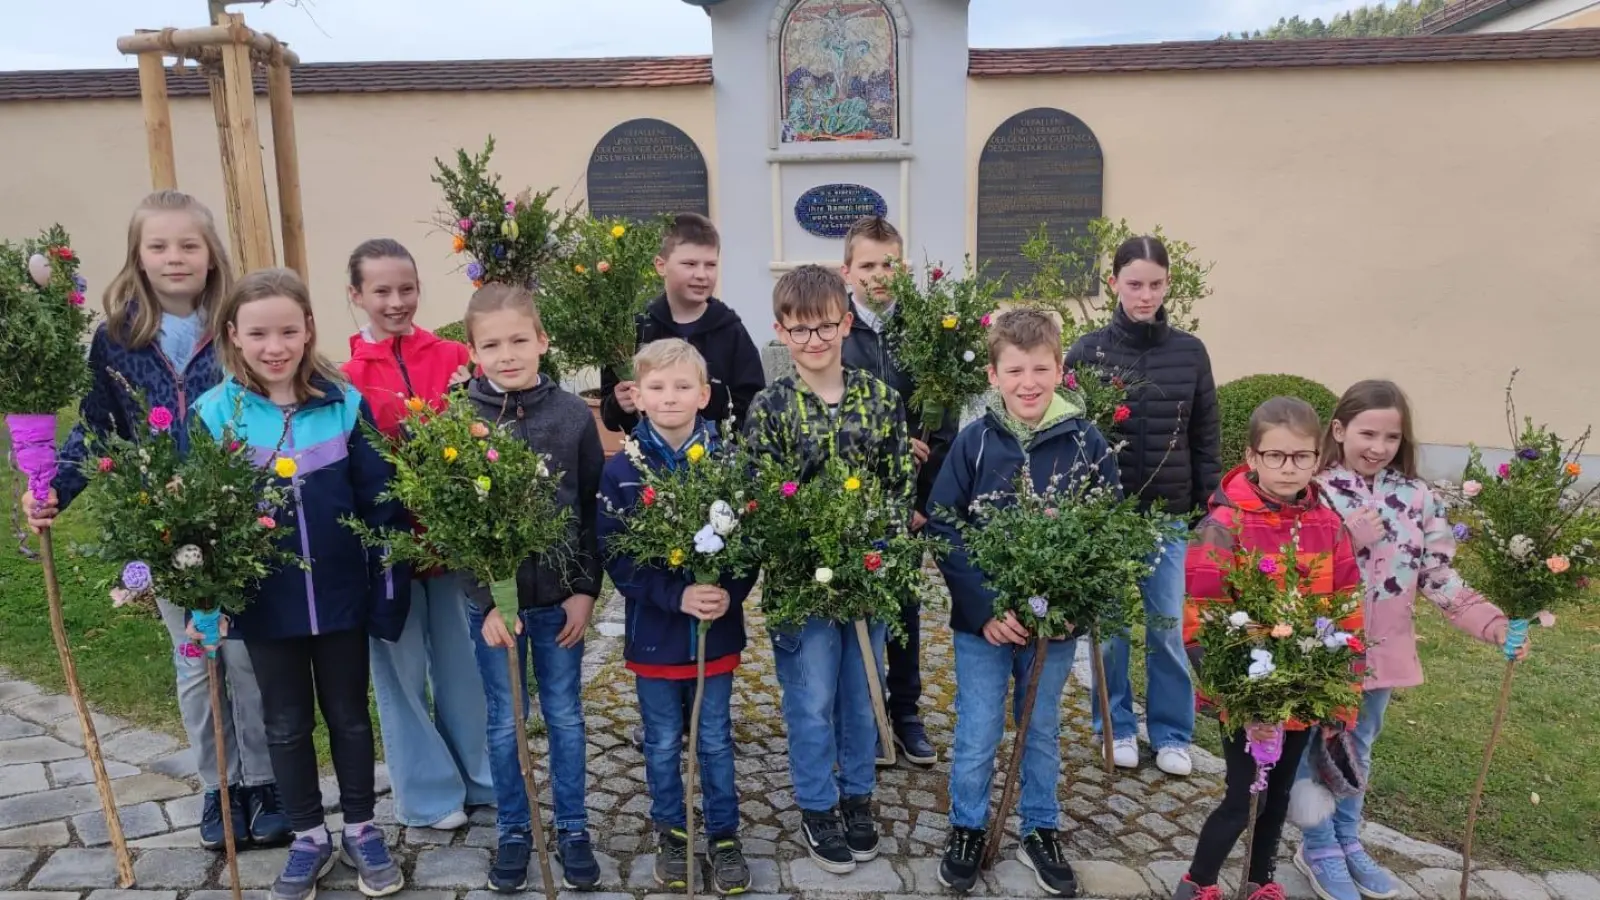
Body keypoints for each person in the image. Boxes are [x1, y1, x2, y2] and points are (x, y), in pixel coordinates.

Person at [21, 190, 290, 852]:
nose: (175, 257)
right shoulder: (116, 340)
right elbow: (96, 430)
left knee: (246, 657)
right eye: (159, 246)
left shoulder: (238, 326)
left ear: (211, 254)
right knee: (197, 659)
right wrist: (53, 490)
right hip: (162, 525)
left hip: (241, 518)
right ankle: (219, 786)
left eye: (189, 245)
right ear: (138, 257)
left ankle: (265, 784)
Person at [195, 268, 409, 900]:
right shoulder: (215, 415)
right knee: (285, 723)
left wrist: (386, 589)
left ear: (309, 329)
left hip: (341, 598)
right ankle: (308, 837)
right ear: (233, 335)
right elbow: (198, 521)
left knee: (349, 716)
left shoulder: (342, 404)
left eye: (288, 331)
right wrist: (208, 599)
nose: (275, 347)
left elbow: (380, 502)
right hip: (268, 605)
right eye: (259, 333)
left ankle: (362, 829)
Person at [1293, 380, 1525, 900]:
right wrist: (1347, 539)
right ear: (1339, 430)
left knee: (1359, 745)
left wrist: (1492, 623)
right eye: (1367, 433)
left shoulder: (1418, 498)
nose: (1378, 447)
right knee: (1315, 746)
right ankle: (1318, 844)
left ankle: (1348, 839)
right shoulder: (1314, 491)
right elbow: (1293, 568)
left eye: (1391, 437)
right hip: (1318, 650)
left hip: (1382, 653)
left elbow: (1438, 575)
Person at [928, 308, 1117, 897]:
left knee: (1040, 728)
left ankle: (1040, 828)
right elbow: (943, 521)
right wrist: (984, 608)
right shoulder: (976, 440)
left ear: (1060, 370)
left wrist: (1066, 608)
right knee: (978, 727)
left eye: (1040, 369)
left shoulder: (1086, 442)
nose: (1028, 382)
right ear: (994, 375)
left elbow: (1107, 530)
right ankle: (967, 826)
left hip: (1051, 627)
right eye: (1014, 371)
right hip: (982, 626)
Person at [743, 265, 912, 876]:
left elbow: (898, 488)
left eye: (824, 327)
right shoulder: (770, 407)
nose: (813, 340)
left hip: (865, 580)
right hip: (801, 586)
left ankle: (857, 796)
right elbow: (761, 497)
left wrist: (878, 557)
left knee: (862, 697)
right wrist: (807, 549)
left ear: (845, 324)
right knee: (812, 699)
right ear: (781, 332)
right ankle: (818, 805)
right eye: (800, 330)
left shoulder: (881, 400)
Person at [1174, 397, 1362, 900]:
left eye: (1301, 456)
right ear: (1252, 456)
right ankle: (1199, 882)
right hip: (1244, 689)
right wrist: (1240, 695)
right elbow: (1203, 618)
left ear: (1318, 457)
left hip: (1301, 688)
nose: (1288, 467)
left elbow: (1347, 609)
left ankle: (1260, 880)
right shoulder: (1224, 525)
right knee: (1243, 795)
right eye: (1275, 455)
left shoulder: (1329, 526)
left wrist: (1342, 689)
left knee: (1278, 794)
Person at [340, 238, 491, 832]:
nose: (396, 301)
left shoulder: (454, 357)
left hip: (451, 545)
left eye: (406, 288)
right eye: (381, 291)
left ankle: (481, 776)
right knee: (400, 675)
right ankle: (428, 795)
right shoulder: (346, 380)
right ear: (357, 295)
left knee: (463, 664)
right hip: (387, 552)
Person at [458, 283, 604, 893]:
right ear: (472, 352)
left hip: (559, 602)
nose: (508, 354)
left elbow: (592, 508)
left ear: (542, 341)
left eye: (519, 340)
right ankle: (515, 829)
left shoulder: (571, 415)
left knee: (565, 715)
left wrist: (585, 590)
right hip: (496, 611)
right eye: (492, 344)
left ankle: (573, 827)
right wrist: (485, 601)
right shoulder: (460, 420)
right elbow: (454, 522)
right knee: (505, 720)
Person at [597, 339, 755, 894]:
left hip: (716, 633)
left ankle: (725, 835)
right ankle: (673, 830)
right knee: (663, 741)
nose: (670, 397)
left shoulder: (729, 462)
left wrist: (728, 592)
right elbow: (617, 555)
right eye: (657, 387)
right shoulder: (622, 470)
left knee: (714, 739)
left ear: (704, 395)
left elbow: (749, 542)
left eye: (683, 386)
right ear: (637, 396)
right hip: (656, 637)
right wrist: (674, 596)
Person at [1067, 235, 1220, 777]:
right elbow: (1072, 435)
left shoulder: (1190, 353)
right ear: (1114, 283)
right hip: (1108, 518)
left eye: (1155, 285)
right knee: (1110, 631)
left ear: (1168, 285)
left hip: (1167, 518)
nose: (1145, 295)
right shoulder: (1087, 352)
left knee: (1166, 628)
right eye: (1134, 284)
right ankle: (1116, 726)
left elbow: (1205, 434)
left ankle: (1172, 733)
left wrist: (1207, 502)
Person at [837, 215, 948, 767]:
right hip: (851, 501)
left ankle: (904, 712)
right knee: (853, 605)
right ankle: (864, 712)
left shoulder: (925, 331)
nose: (879, 275)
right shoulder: (834, 331)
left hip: (908, 509)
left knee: (904, 607)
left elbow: (944, 423)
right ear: (847, 272)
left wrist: (923, 502)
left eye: (890, 264)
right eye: (868, 265)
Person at [600, 212, 766, 435]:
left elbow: (752, 403)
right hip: (646, 452)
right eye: (690, 264)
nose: (702, 274)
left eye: (710, 265)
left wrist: (718, 437)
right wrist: (618, 404)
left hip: (716, 453)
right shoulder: (635, 329)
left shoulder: (731, 331)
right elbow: (609, 414)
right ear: (661, 265)